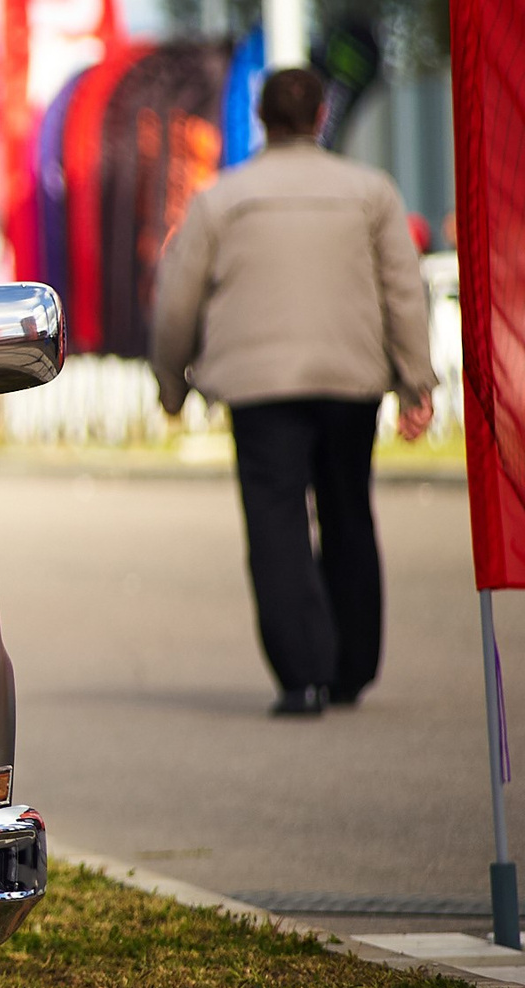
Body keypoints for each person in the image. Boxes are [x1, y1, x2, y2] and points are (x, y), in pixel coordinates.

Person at [150, 66, 436, 719]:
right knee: (348, 513)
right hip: (351, 377)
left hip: (259, 387)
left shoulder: (222, 199)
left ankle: (302, 675)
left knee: (276, 522)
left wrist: (171, 382)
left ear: (263, 119)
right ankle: (352, 669)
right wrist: (415, 379)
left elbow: (176, 302)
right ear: (320, 118)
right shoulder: (371, 192)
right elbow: (403, 289)